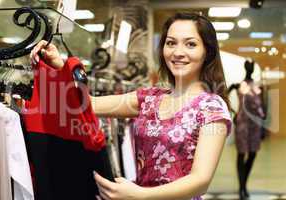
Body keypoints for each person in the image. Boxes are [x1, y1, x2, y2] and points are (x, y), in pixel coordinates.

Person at [30, 12, 232, 200]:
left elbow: (200, 181)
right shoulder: (150, 98)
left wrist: (141, 195)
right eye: (171, 43)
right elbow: (87, 104)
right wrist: (60, 66)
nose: (178, 52)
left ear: (208, 51)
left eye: (190, 44)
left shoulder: (212, 107)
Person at [228, 60, 265, 200]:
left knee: (253, 154)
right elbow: (223, 97)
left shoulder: (257, 87)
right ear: (245, 68)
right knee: (241, 154)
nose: (249, 69)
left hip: (255, 125)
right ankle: (242, 187)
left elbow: (262, 106)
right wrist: (234, 113)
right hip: (243, 124)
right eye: (248, 67)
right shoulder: (238, 85)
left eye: (251, 67)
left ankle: (244, 184)